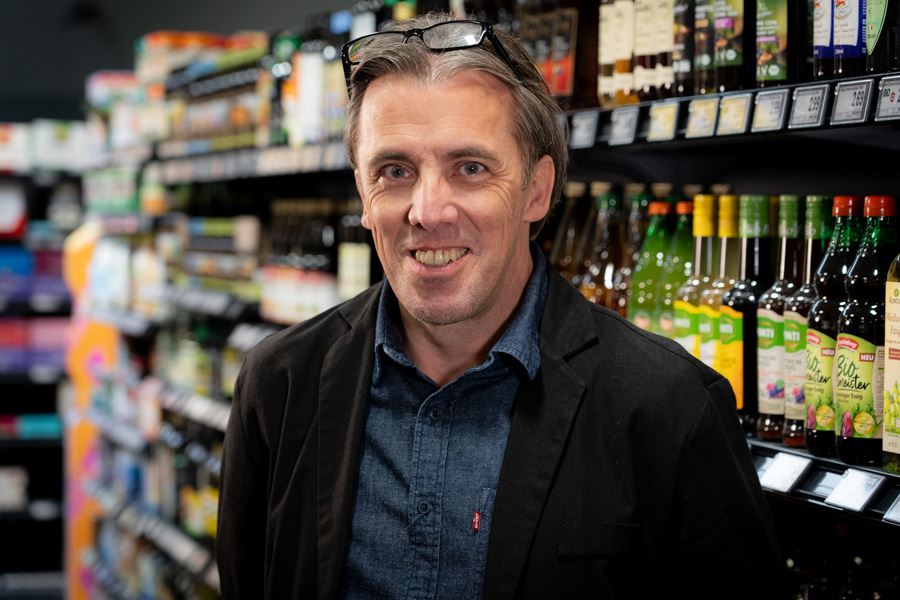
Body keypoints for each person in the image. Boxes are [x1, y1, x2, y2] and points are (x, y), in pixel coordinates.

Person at [217, 12, 783, 599]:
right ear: (363, 192)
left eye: (470, 168)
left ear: (536, 190)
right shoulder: (280, 383)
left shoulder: (671, 405)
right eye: (395, 170)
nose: (428, 211)